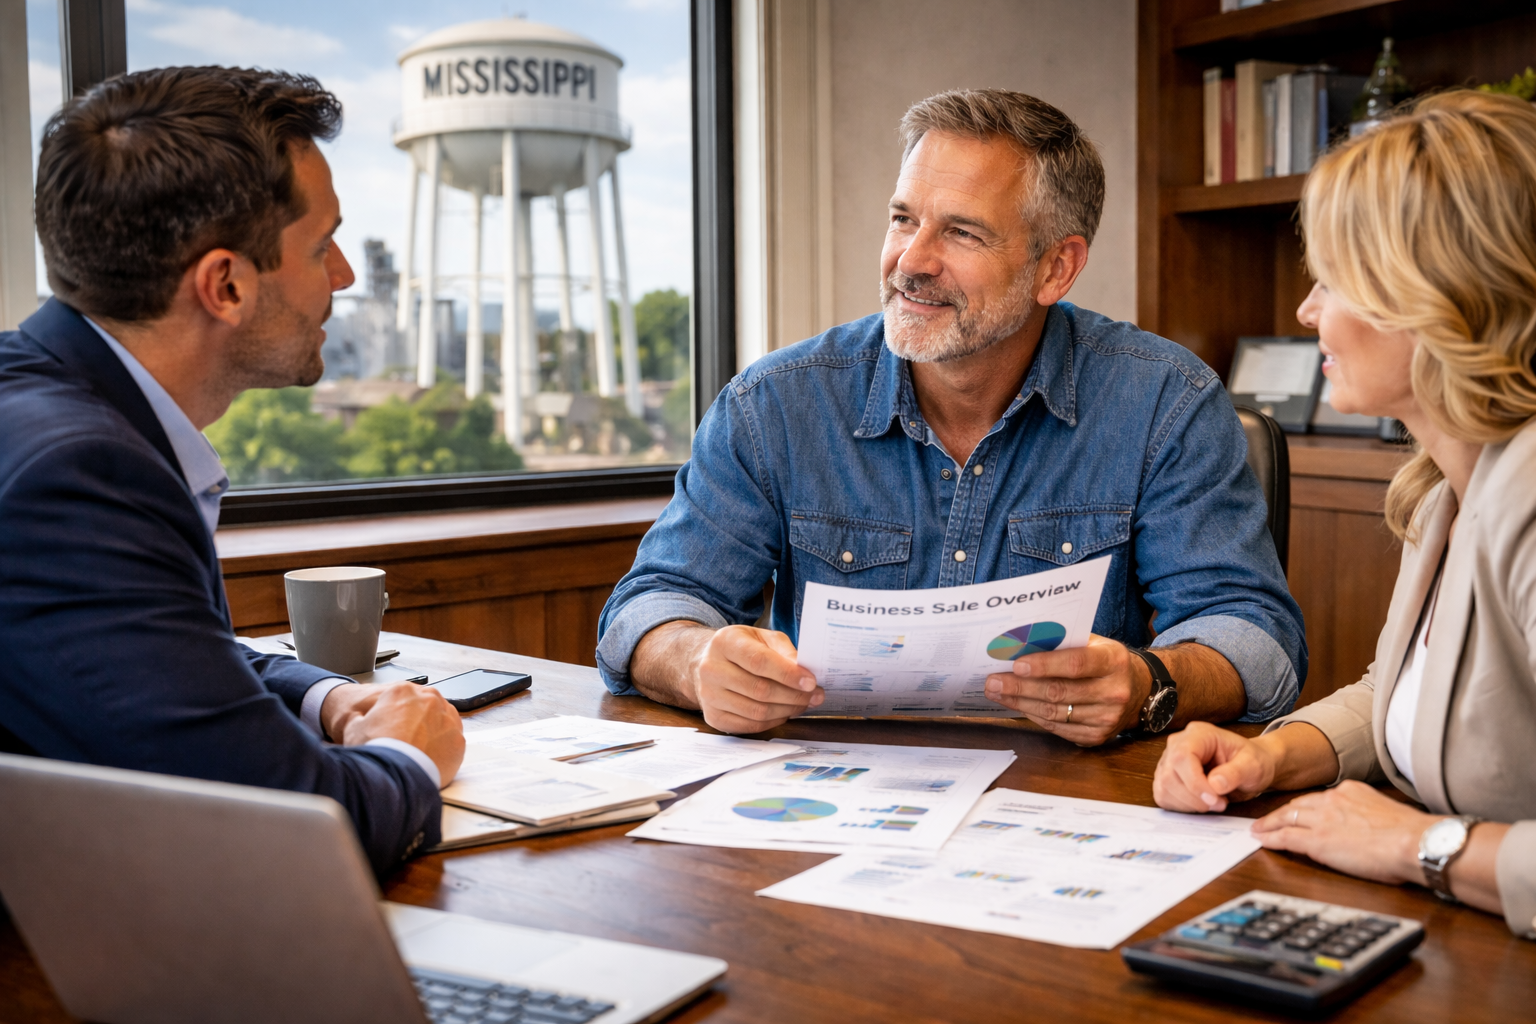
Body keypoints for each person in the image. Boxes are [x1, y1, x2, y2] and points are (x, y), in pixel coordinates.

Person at [597, 89, 1306, 741]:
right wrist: (697, 661)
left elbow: (1258, 639)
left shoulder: (1164, 402)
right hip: (830, 799)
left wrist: (1150, 682)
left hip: (1066, 803)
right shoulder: (774, 404)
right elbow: (648, 607)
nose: (911, 259)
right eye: (903, 218)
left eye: (962, 233)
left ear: (1056, 269)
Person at [0, 67, 464, 877]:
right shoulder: (79, 478)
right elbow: (292, 834)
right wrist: (410, 756)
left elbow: (150, 655)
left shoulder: (38, 404)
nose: (346, 276)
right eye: (321, 247)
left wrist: (328, 696)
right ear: (226, 285)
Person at [1152, 90, 1536, 938]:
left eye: (1335, 279)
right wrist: (1270, 753)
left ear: (1439, 295)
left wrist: (1418, 845)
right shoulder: (1447, 488)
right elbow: (1409, 697)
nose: (1306, 312)